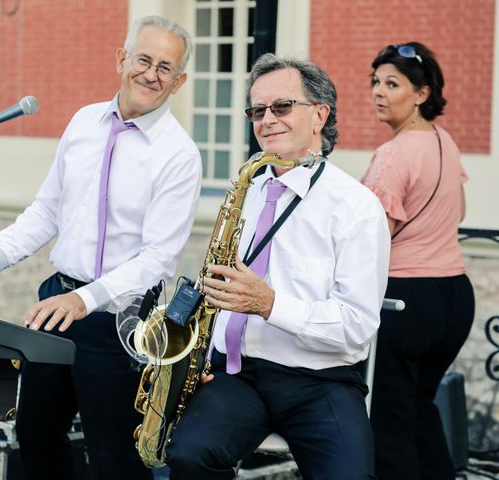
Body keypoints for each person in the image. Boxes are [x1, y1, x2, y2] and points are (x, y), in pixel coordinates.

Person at [0, 15, 201, 480]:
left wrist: (84, 299)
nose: (151, 74)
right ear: (121, 59)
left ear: (179, 82)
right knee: (35, 439)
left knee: (115, 457)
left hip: (122, 322)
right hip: (54, 303)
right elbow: (46, 211)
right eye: (143, 59)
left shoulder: (180, 156)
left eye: (165, 67)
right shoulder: (82, 122)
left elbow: (157, 259)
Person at [165, 53, 390, 480]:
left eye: (282, 107)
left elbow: (357, 324)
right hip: (238, 374)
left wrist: (269, 304)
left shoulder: (357, 206)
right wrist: (199, 358)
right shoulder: (247, 188)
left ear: (319, 114)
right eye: (257, 110)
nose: (266, 119)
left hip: (321, 382)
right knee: (188, 456)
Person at [362, 42, 475, 480]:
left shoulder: (393, 154)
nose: (378, 92)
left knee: (388, 422)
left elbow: (372, 240)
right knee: (418, 407)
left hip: (406, 300)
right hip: (455, 297)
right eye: (376, 82)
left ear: (421, 94)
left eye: (392, 84)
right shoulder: (444, 141)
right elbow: (460, 210)